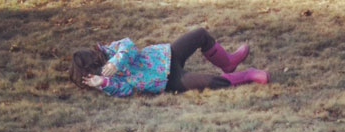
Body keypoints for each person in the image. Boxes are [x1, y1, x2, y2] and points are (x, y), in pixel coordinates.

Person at [69, 28, 270, 97]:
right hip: (168, 80)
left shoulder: (109, 51)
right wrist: (103, 82)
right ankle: (248, 75)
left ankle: (228, 62)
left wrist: (116, 62)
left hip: (166, 55)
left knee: (200, 34)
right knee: (210, 81)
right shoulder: (107, 83)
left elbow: (129, 46)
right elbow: (126, 90)